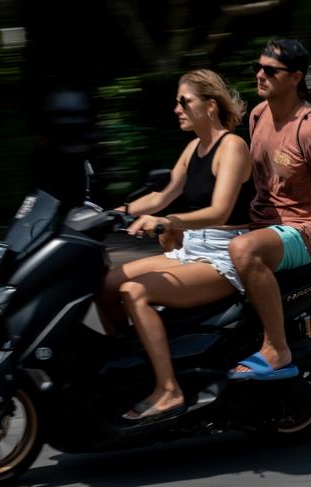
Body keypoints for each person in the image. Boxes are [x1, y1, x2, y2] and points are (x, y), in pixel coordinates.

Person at [96, 69, 254, 422]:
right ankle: (135, 367)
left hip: (222, 256)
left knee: (134, 291)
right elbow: (162, 196)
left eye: (185, 102)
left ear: (210, 106)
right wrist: (105, 216)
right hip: (190, 250)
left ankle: (169, 390)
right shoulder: (193, 147)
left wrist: (170, 222)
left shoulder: (233, 147)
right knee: (104, 284)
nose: (177, 109)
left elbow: (220, 210)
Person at [226, 39, 311, 380]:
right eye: (257, 68)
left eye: (270, 70)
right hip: (265, 225)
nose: (260, 75)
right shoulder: (258, 115)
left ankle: (276, 348)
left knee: (244, 251)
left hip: (307, 230)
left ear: (295, 78)